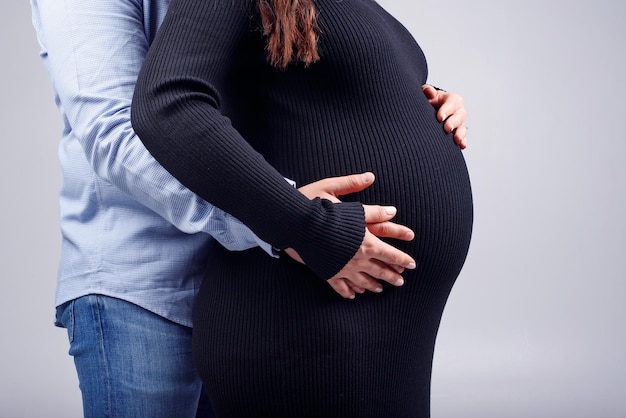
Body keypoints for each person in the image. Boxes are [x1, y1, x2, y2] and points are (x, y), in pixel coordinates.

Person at [30, 0, 468, 416]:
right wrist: (288, 219)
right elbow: (117, 133)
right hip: (145, 286)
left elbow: (280, 68)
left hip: (258, 271)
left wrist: (412, 96)